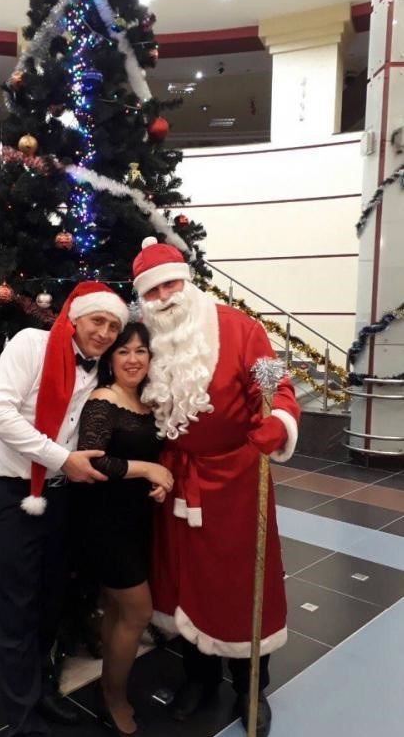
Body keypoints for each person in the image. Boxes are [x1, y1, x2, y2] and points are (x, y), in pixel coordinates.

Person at [131, 238, 300, 737]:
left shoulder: (241, 328)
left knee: (243, 582)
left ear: (187, 281)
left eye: (170, 284)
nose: (164, 297)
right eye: (152, 290)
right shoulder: (145, 340)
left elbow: (276, 385)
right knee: (185, 581)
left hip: (237, 481)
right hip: (177, 479)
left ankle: (251, 687)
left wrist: (279, 421)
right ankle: (199, 678)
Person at [0, 281, 129, 737]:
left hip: (63, 497)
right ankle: (22, 718)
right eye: (98, 321)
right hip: (14, 494)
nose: (105, 333)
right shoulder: (32, 344)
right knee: (16, 609)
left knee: (49, 605)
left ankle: (41, 691)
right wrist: (61, 458)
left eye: (113, 326)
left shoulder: (101, 372)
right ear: (76, 318)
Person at [76, 322, 173, 736]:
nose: (133, 359)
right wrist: (148, 468)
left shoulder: (146, 402)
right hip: (105, 524)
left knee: (117, 610)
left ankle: (107, 687)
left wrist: (158, 482)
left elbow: (148, 457)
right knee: (138, 611)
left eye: (141, 351)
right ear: (110, 359)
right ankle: (113, 696)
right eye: (123, 351)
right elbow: (93, 460)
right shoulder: (104, 400)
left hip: (136, 521)